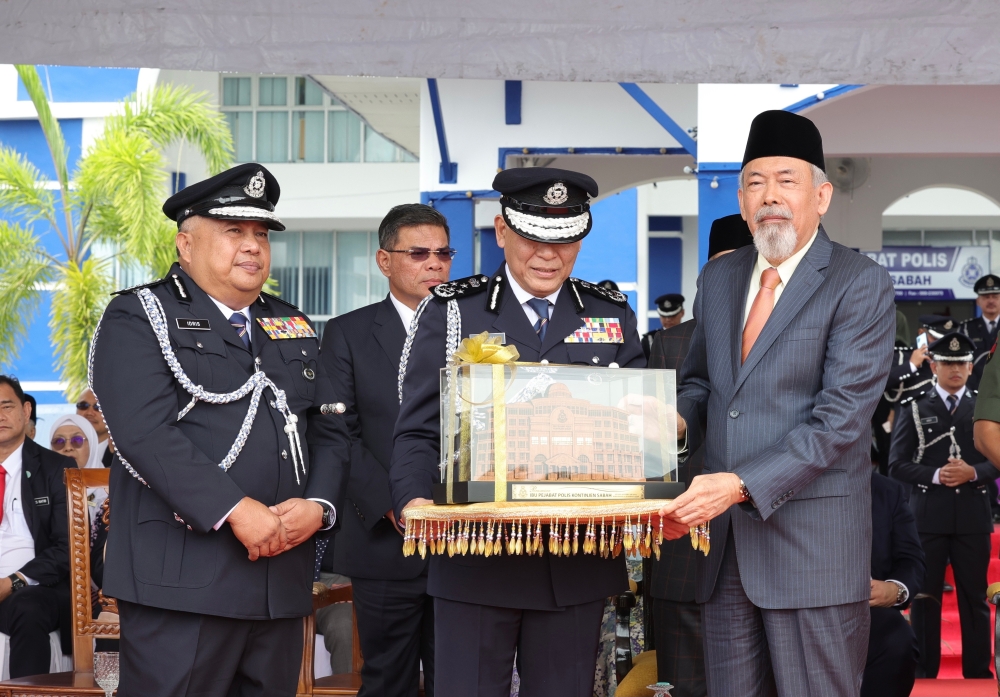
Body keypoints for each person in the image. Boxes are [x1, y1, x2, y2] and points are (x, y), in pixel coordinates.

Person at [657, 109, 896, 697]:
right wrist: (671, 421)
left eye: (787, 181)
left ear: (822, 195)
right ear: (741, 200)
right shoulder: (720, 279)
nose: (770, 197)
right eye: (756, 183)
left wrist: (736, 484)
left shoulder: (857, 281)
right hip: (725, 553)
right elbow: (701, 385)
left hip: (811, 551)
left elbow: (840, 421)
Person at [90, 163, 349, 697]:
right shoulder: (140, 316)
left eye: (260, 235)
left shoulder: (290, 324)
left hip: (279, 576)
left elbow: (328, 429)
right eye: (234, 232)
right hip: (183, 581)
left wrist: (318, 506)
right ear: (186, 244)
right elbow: (143, 434)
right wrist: (235, 509)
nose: (252, 247)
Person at [390, 167, 644, 697]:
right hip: (476, 555)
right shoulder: (452, 310)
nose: (549, 256)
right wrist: (415, 501)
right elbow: (417, 431)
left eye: (566, 240)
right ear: (502, 231)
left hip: (575, 561)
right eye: (533, 238)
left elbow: (635, 430)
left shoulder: (610, 313)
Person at [319, 203, 451, 693]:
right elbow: (338, 434)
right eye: (418, 253)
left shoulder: (475, 333)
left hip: (463, 539)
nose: (434, 264)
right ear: (384, 260)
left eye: (442, 253)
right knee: (388, 679)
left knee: (460, 680)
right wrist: (396, 502)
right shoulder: (347, 333)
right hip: (385, 537)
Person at [644, 213, 755, 697]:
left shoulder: (792, 338)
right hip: (682, 549)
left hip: (765, 544)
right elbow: (646, 450)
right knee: (678, 686)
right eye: (721, 269)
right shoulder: (666, 344)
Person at [888, 332, 994, 679]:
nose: (955, 369)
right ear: (933, 365)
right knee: (925, 598)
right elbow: (896, 464)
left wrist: (972, 472)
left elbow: (997, 458)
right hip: (927, 517)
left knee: (974, 598)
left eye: (961, 362)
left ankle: (978, 672)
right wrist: (935, 475)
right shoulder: (914, 406)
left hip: (973, 516)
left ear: (970, 366)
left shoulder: (986, 407)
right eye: (947, 363)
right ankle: (922, 671)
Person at [0, 375, 75, 678]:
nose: (0, 416)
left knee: (28, 608)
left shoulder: (56, 468)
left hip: (34, 587)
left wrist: (12, 582)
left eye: (6, 406)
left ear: (26, 411)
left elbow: (66, 546)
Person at [860, 472, 924, 697]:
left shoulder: (887, 490)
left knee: (898, 640)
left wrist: (895, 589)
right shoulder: (787, 483)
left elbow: (911, 559)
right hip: (797, 603)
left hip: (868, 608)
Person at [48, 414, 106, 526]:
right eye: (59, 442)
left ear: (92, 444)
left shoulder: (110, 491)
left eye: (77, 440)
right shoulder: (43, 490)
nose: (68, 447)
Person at [961, 274, 1000, 388]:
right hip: (975, 393)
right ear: (978, 301)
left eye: (995, 296)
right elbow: (962, 361)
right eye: (986, 297)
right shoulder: (965, 329)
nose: (991, 301)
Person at [76, 388, 112, 467]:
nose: (89, 413)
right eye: (83, 406)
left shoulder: (122, 456)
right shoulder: (63, 447)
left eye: (98, 407)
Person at [641, 294, 685, 358]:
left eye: (673, 315)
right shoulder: (648, 341)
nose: (668, 319)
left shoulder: (692, 337)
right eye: (664, 316)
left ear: (682, 313)